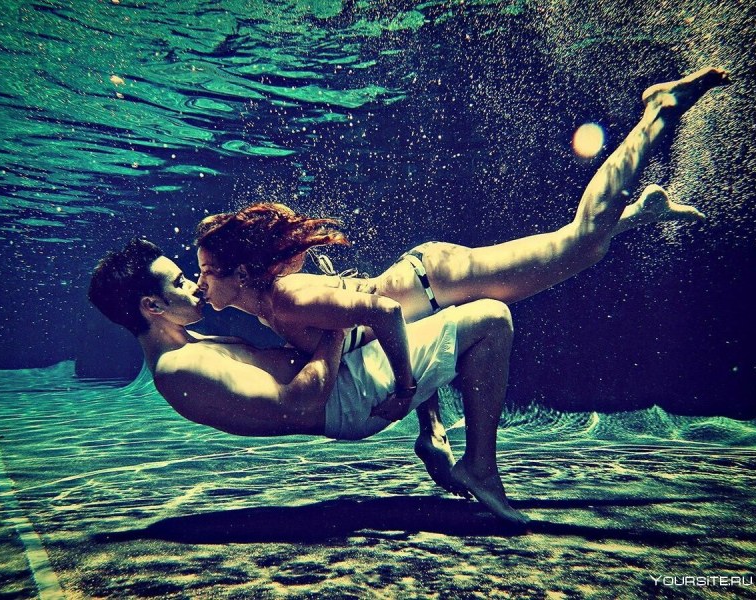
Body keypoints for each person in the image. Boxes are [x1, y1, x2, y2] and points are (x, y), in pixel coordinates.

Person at [193, 67, 729, 489]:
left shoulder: (284, 300)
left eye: (206, 272)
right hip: (428, 285)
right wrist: (429, 426)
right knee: (580, 249)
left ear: (240, 274)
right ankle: (636, 214)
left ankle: (657, 112)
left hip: (437, 279)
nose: (199, 284)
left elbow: (386, 315)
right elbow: (387, 330)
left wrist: (405, 391)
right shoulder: (273, 304)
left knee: (582, 242)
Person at [88, 238, 528, 524]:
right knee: (492, 318)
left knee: (422, 303)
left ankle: (432, 433)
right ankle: (480, 468)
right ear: (153, 306)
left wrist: (325, 302)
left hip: (345, 381)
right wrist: (334, 324)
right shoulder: (180, 368)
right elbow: (301, 404)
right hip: (349, 401)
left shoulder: (189, 343)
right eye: (180, 281)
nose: (194, 286)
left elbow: (281, 357)